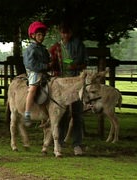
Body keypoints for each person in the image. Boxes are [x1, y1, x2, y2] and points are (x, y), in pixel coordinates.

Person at [49, 22, 88, 156]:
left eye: (67, 32)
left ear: (71, 33)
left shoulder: (79, 45)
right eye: (63, 32)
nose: (65, 35)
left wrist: (75, 66)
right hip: (61, 85)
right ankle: (59, 142)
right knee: (61, 114)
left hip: (76, 83)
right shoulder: (56, 47)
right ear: (60, 33)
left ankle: (77, 144)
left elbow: (85, 62)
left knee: (77, 114)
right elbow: (53, 62)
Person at [23, 21, 53, 127]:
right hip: (34, 72)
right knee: (33, 89)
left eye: (43, 35)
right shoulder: (30, 49)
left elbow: (48, 60)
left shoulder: (44, 49)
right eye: (39, 35)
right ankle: (27, 113)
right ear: (33, 35)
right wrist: (46, 66)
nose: (41, 37)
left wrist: (52, 62)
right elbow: (31, 64)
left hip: (44, 73)